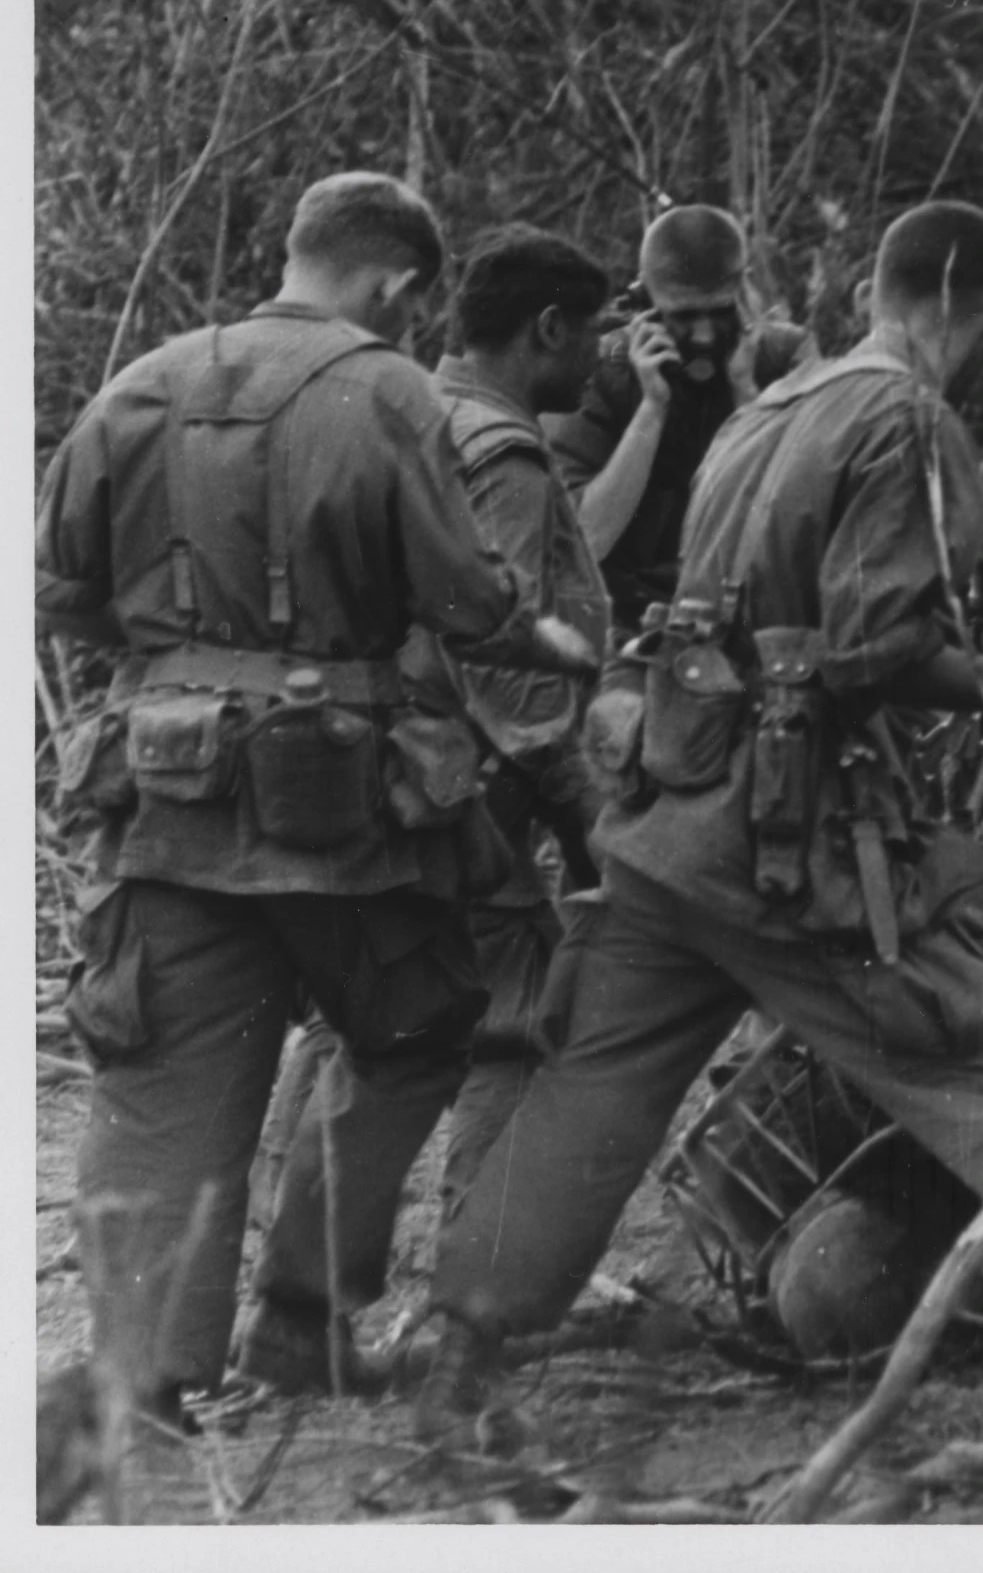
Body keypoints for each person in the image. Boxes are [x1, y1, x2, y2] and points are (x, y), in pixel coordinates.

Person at [412, 202, 983, 1440]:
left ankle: (459, 1355)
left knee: (591, 1091)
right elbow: (875, 645)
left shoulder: (770, 406)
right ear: (967, 304)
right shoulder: (902, 415)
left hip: (667, 822)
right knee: (973, 1061)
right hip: (794, 844)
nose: (979, 350)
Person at [36, 174, 597, 1420]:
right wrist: (544, 642)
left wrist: (182, 647)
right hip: (342, 811)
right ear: (398, 285)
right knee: (417, 1020)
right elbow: (463, 596)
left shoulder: (144, 377)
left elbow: (61, 589)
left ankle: (139, 1382)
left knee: (160, 1066)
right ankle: (300, 1318)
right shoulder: (390, 387)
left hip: (165, 796)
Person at [252, 225, 617, 1280]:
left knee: (355, 1013)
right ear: (546, 329)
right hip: (459, 789)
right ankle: (476, 1272)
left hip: (365, 768)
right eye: (590, 333)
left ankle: (291, 1273)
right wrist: (591, 820)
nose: (600, 358)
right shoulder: (500, 449)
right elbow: (504, 672)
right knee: (514, 1013)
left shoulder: (403, 412)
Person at [547, 204, 814, 637]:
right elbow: (584, 542)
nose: (705, 335)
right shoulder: (600, 369)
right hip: (627, 625)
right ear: (645, 305)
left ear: (745, 295)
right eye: (685, 316)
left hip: (754, 622)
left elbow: (802, 521)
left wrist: (748, 395)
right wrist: (651, 408)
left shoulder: (787, 358)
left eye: (720, 311)